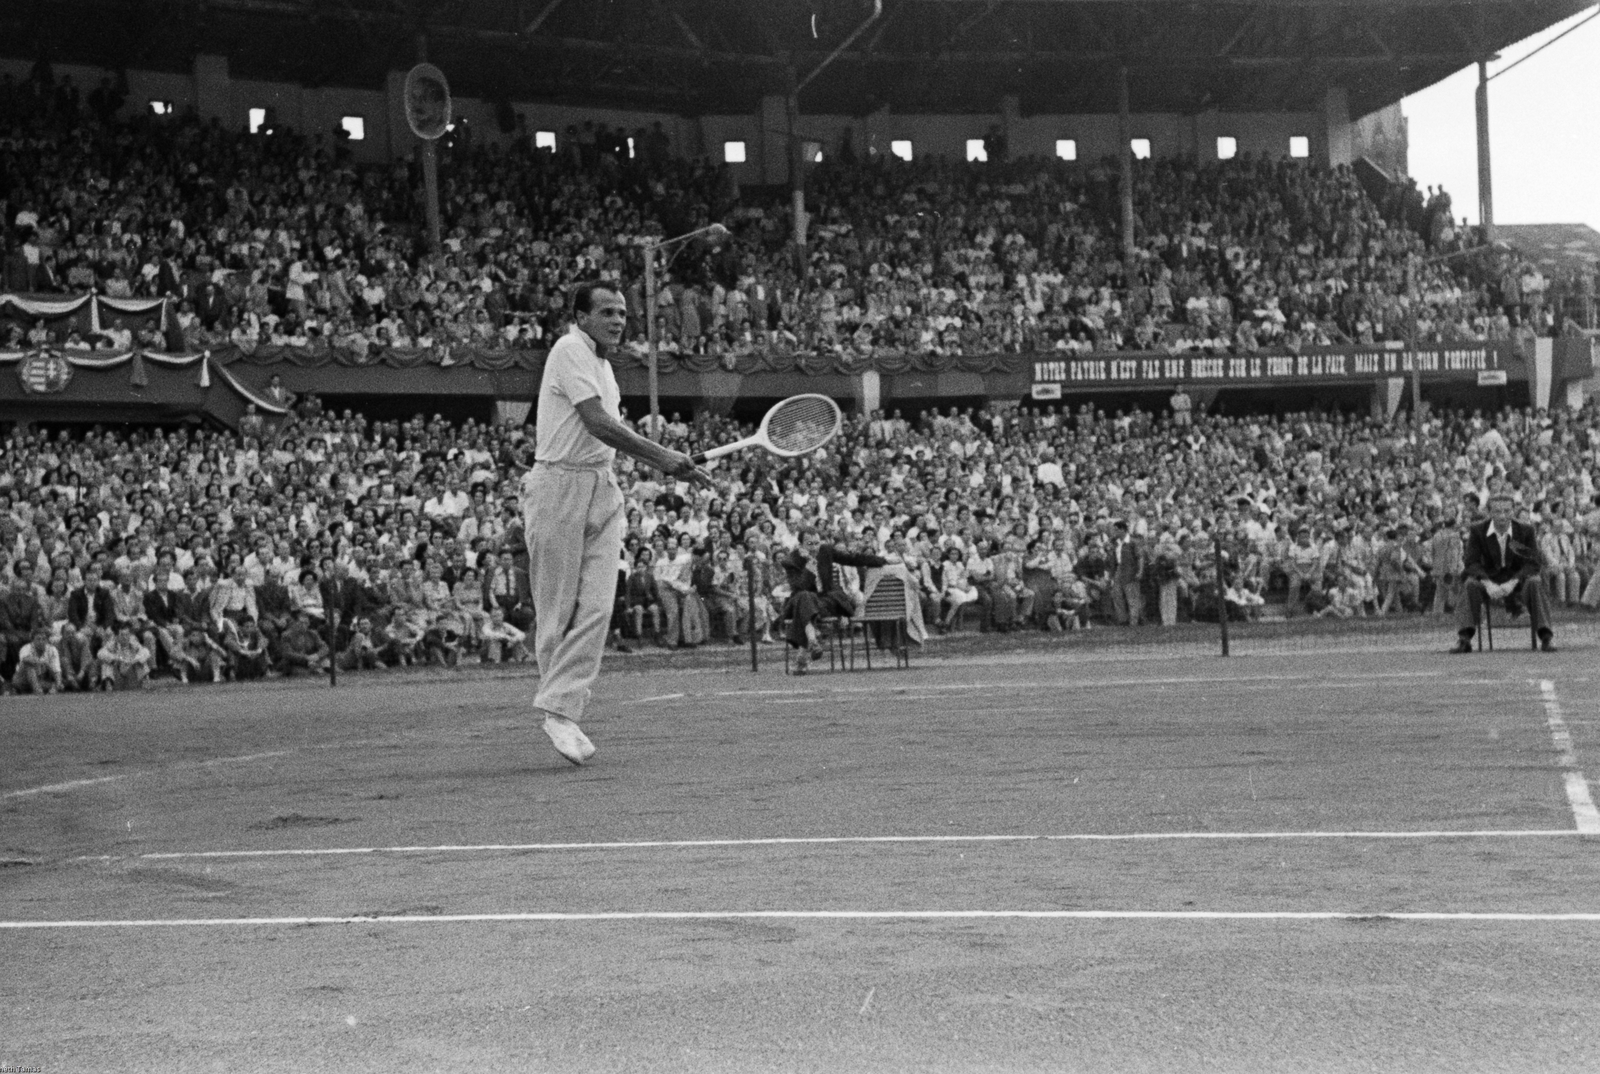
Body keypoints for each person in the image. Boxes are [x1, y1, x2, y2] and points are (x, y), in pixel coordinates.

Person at [521, 282, 710, 764]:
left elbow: (608, 436)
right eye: (606, 312)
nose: (617, 320)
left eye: (622, 313)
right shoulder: (568, 349)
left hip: (602, 487)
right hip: (556, 486)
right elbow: (598, 423)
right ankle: (560, 713)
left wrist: (670, 462)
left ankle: (561, 710)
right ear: (580, 317)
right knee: (557, 610)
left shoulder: (605, 367)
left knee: (600, 606)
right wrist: (665, 458)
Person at [1452, 491, 1555, 653]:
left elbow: (1533, 563)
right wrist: (1487, 583)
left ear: (1513, 511)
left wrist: (1513, 582)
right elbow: (1471, 562)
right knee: (1470, 584)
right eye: (1498, 511)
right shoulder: (1478, 531)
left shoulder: (1525, 531)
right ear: (1490, 512)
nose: (1502, 516)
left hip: (1517, 582)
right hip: (1488, 581)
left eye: (1507, 511)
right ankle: (1464, 638)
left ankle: (1546, 636)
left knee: (1535, 581)